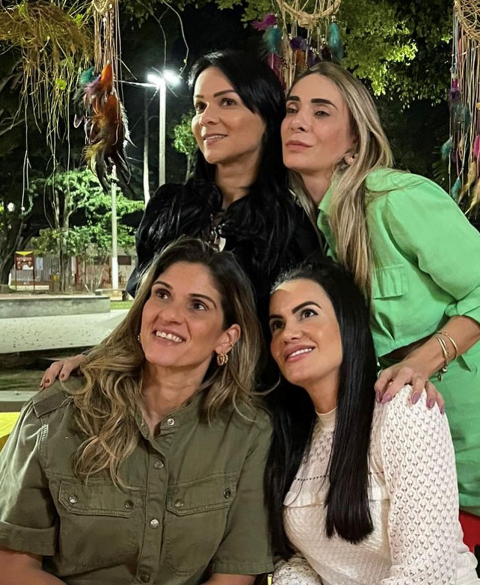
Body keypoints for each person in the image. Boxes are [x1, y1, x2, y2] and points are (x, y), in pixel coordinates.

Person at [40, 49, 321, 389]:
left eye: (227, 102)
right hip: (158, 394)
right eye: (200, 106)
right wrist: (95, 357)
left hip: (250, 400)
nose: (207, 119)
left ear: (266, 116)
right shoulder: (169, 208)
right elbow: (141, 320)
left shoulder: (291, 226)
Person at [0, 238, 273, 585]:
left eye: (197, 305)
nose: (169, 315)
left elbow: (235, 573)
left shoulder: (247, 431)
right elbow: (11, 566)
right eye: (162, 294)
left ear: (227, 338)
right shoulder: (55, 414)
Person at [281, 61, 480, 516]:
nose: (298, 121)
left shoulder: (395, 200)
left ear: (355, 140)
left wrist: (423, 360)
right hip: (413, 448)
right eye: (292, 109)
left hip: (471, 433)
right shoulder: (320, 236)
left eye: (321, 111)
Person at [266, 259, 479, 584]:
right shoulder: (290, 433)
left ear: (347, 323)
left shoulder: (404, 409)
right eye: (277, 325)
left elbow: (425, 576)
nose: (288, 334)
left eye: (307, 313)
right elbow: (297, 558)